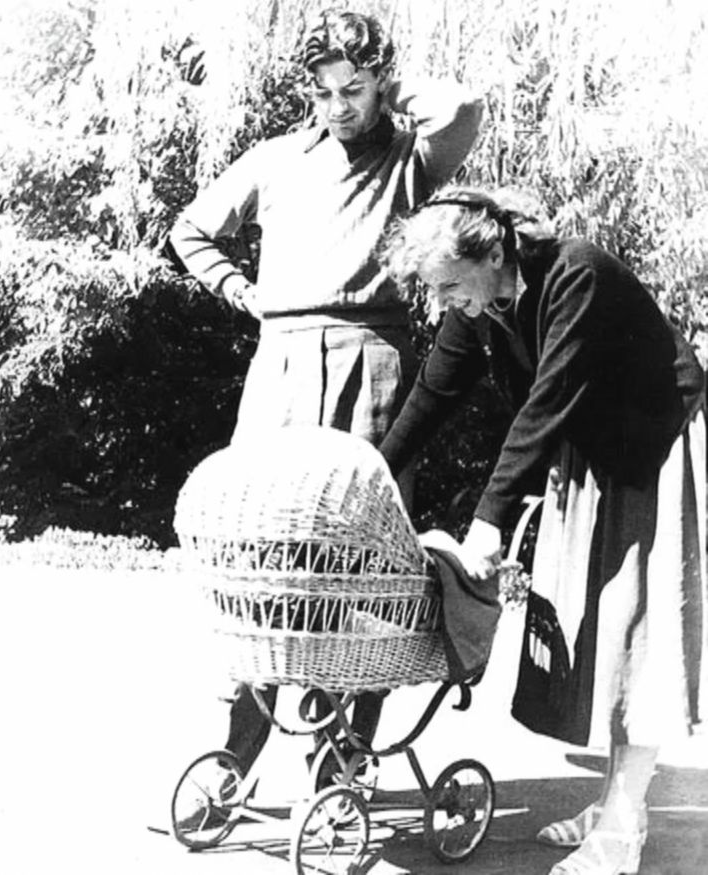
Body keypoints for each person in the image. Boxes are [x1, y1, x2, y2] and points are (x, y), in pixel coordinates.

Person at [168, 10, 482, 783]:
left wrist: (387, 84)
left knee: (363, 560)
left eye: (354, 89)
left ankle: (339, 768)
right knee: (262, 554)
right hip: (279, 365)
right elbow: (191, 230)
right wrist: (238, 288)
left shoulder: (409, 158)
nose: (338, 107)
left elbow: (463, 109)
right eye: (323, 92)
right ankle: (233, 758)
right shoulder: (275, 159)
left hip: (370, 359)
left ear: (380, 84)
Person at [378, 184, 706, 875]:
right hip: (593, 451)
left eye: (447, 285)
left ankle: (622, 824)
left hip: (654, 446)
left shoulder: (575, 274)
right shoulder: (479, 304)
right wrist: (371, 475)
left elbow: (547, 401)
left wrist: (489, 523)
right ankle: (618, 800)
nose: (442, 302)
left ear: (492, 254)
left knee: (637, 630)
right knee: (602, 629)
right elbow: (433, 392)